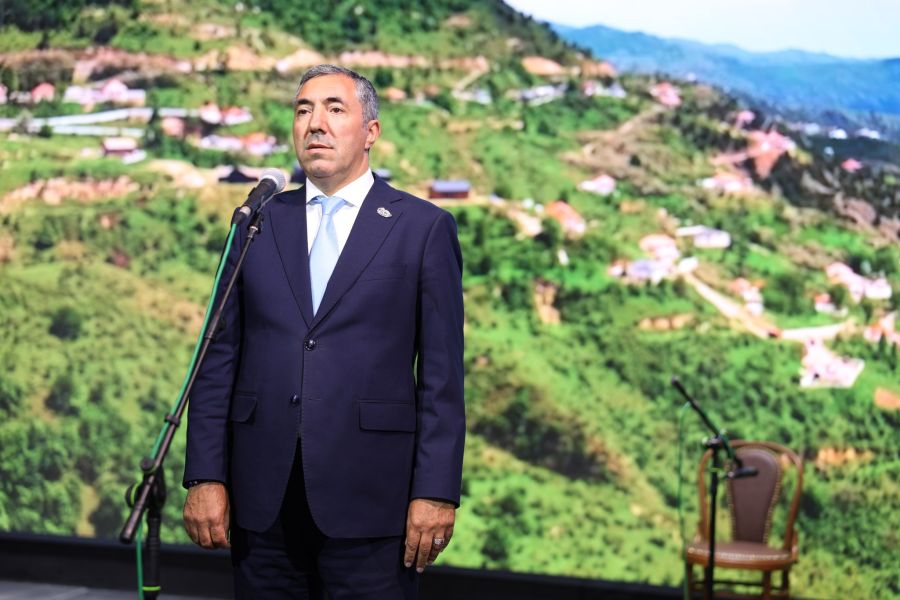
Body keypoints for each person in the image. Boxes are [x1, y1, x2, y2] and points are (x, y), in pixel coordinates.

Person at [182, 64, 465, 599]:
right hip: (261, 502)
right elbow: (217, 359)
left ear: (371, 131)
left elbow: (442, 378)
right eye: (303, 109)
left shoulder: (422, 228)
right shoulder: (256, 222)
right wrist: (205, 476)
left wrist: (436, 491)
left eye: (335, 109)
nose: (316, 123)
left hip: (373, 503)